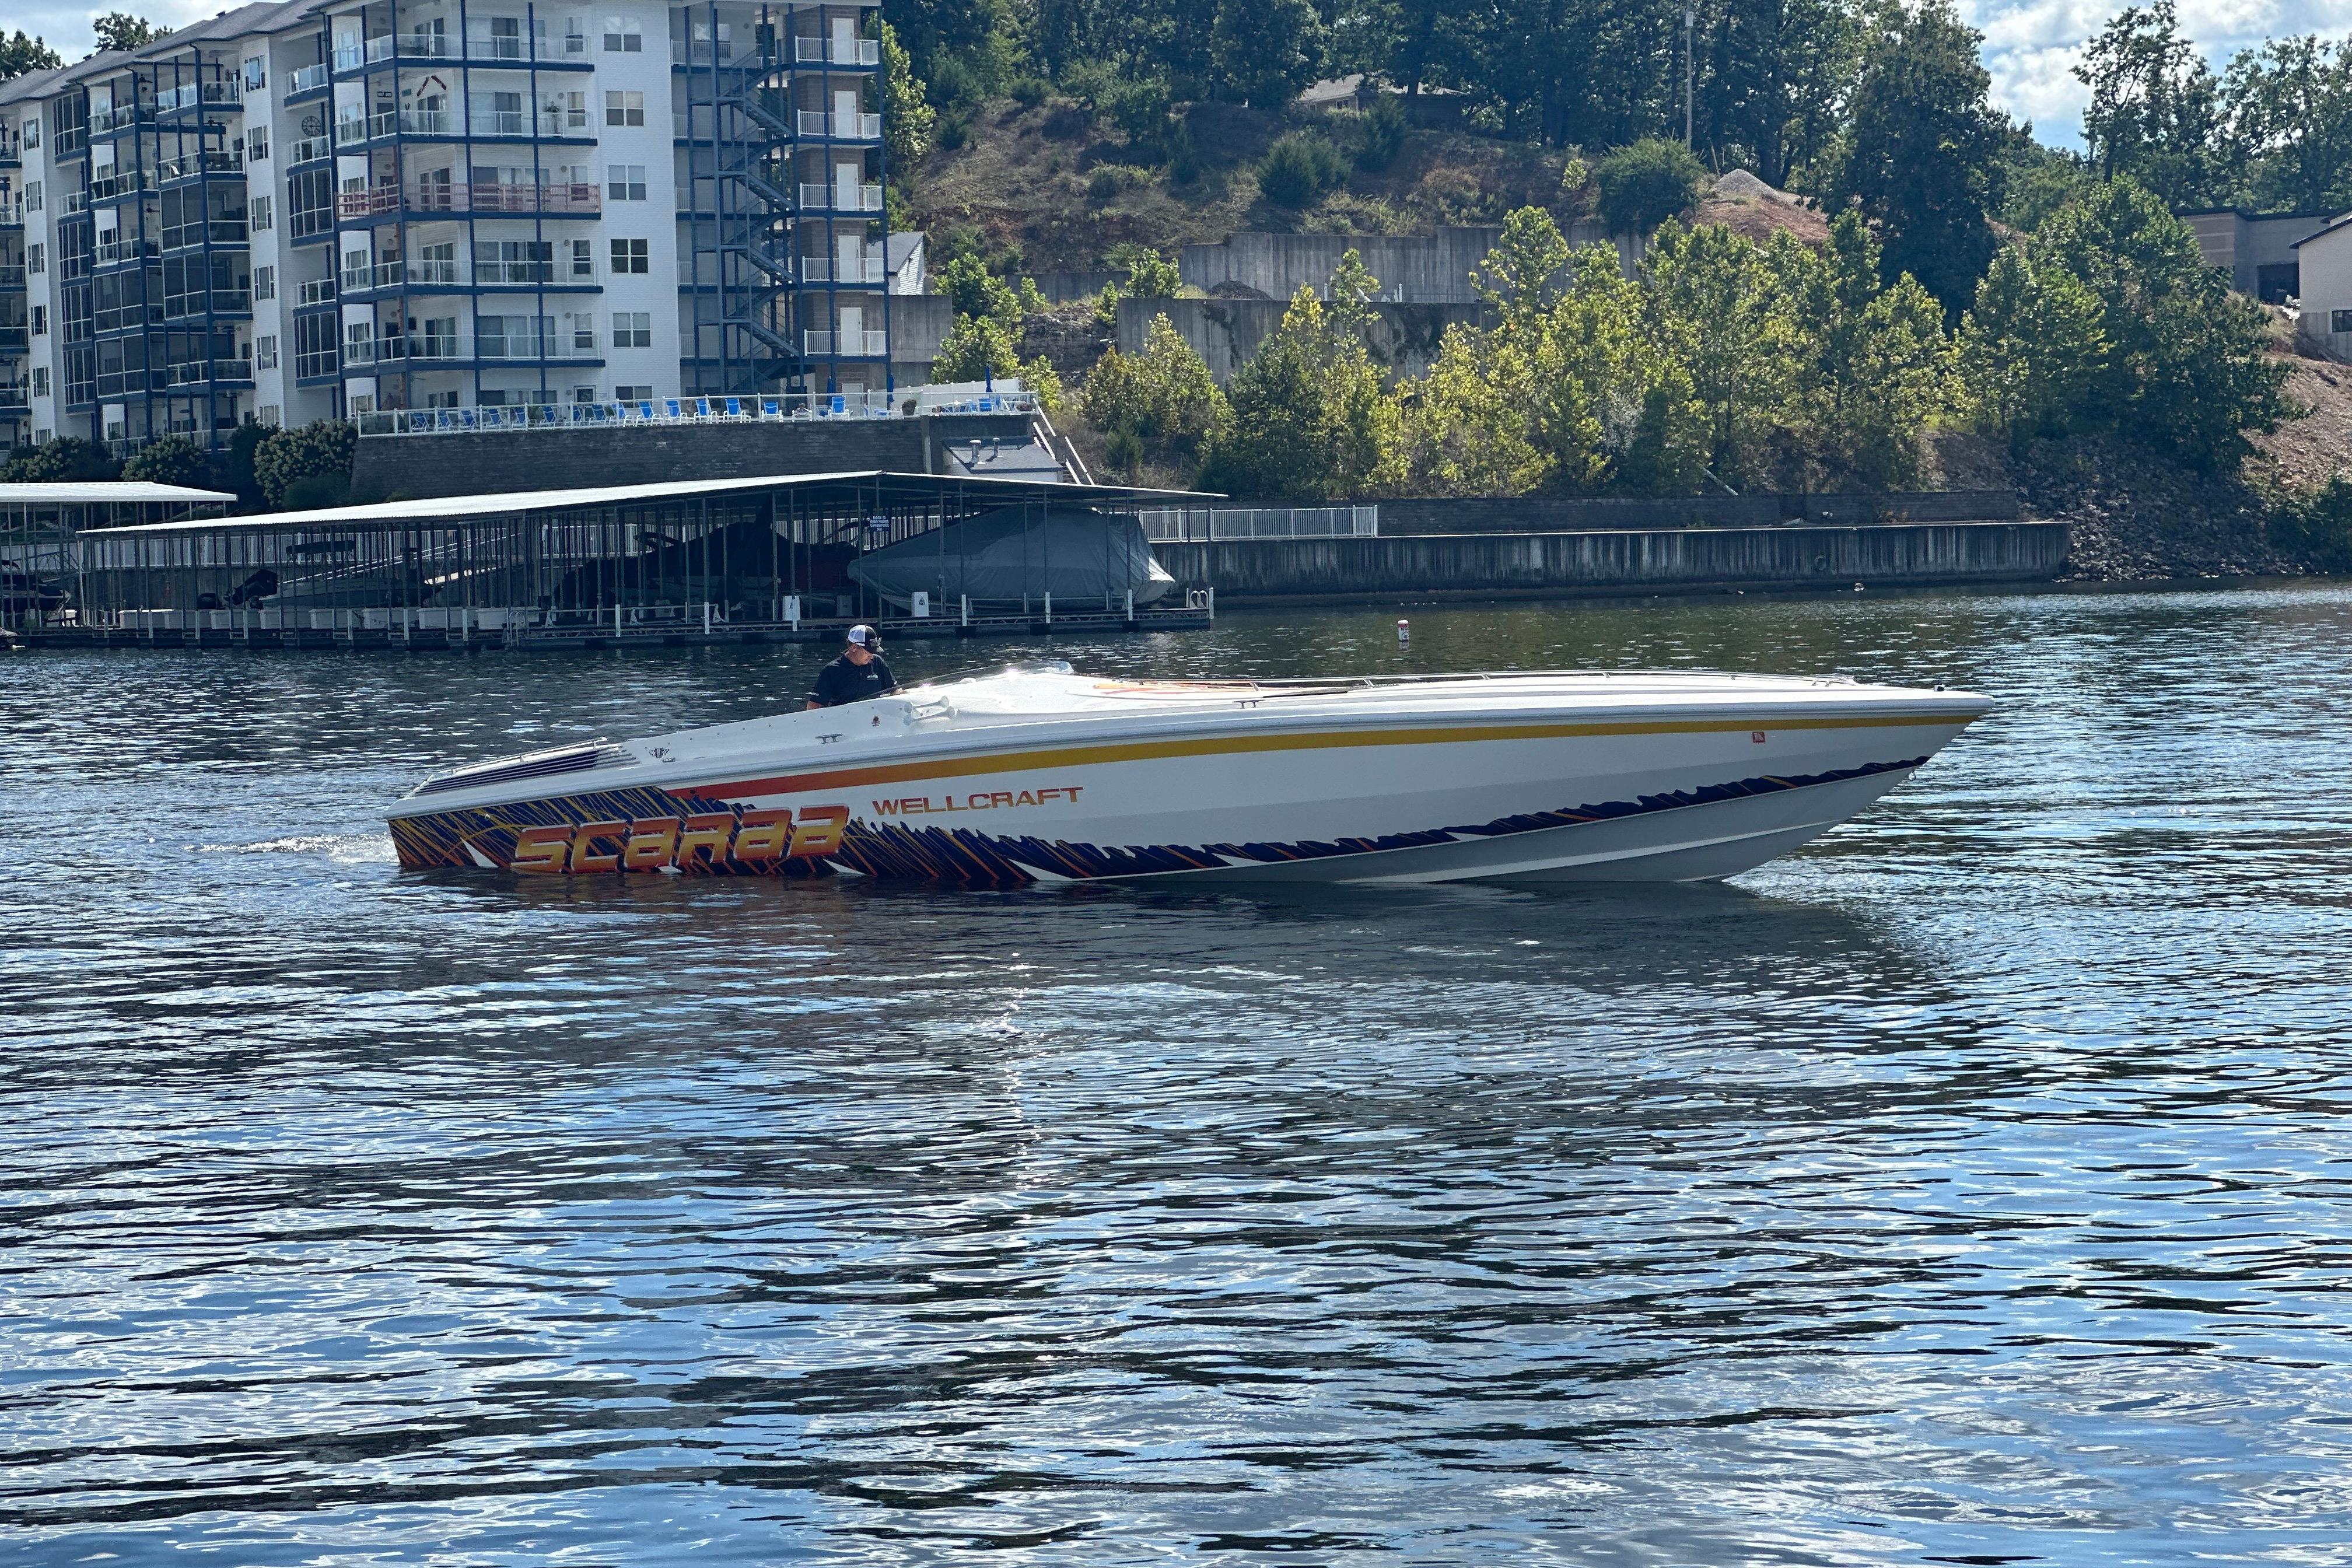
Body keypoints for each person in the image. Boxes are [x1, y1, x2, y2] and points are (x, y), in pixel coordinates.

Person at [806, 624, 896, 709]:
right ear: (854, 648)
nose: (872, 657)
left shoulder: (878, 663)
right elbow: (814, 706)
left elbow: (895, 691)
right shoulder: (831, 671)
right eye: (868, 653)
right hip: (843, 718)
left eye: (874, 652)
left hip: (876, 717)